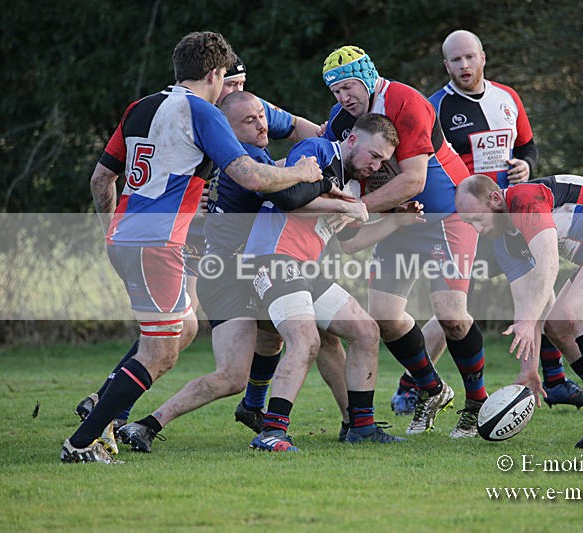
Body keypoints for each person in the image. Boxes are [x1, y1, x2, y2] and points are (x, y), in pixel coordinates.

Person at [61, 31, 322, 463]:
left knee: (183, 328)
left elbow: (101, 179)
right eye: (228, 80)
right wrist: (303, 172)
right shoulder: (203, 112)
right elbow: (249, 175)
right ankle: (84, 440)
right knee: (160, 352)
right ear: (215, 73)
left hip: (126, 239)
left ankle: (102, 409)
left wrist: (112, 230)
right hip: (157, 243)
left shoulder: (139, 107)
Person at [115, 91, 351, 452]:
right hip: (230, 277)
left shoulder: (251, 159)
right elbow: (288, 197)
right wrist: (333, 191)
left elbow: (277, 178)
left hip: (232, 273)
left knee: (287, 338)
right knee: (238, 372)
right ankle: (151, 422)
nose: (261, 126)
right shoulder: (248, 163)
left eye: (262, 117)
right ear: (227, 129)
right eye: (249, 121)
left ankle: (157, 423)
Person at [388, 29, 583, 415]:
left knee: (537, 291)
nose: (464, 65)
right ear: (445, 65)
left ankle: (554, 379)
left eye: (470, 57)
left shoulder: (508, 98)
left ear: (483, 57)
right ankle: (412, 385)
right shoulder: (433, 108)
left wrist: (525, 165)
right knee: (454, 310)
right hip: (463, 222)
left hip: (508, 217)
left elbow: (527, 146)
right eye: (456, 60)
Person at [321, 45, 488, 438]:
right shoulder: (341, 120)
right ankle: (432, 389)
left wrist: (355, 208)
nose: (344, 97)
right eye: (336, 91)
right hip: (398, 220)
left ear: (367, 77)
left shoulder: (405, 101)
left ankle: (477, 403)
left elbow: (414, 180)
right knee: (384, 317)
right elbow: (331, 162)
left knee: (450, 314)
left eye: (348, 87)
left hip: (445, 214)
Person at [243, 112, 414, 451]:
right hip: (272, 259)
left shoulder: (352, 186)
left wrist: (397, 222)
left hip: (305, 269)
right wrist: (345, 208)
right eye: (373, 155)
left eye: (382, 161)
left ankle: (361, 427)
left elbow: (350, 243)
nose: (375, 166)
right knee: (305, 340)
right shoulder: (318, 150)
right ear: (352, 139)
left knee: (366, 331)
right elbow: (289, 197)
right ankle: (272, 431)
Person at [455, 173, 583, 447]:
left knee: (580, 310)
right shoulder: (504, 243)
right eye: (469, 223)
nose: (477, 229)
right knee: (557, 326)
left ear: (495, 199)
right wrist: (529, 370)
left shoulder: (525, 199)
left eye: (477, 219)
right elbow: (527, 301)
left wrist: (529, 320)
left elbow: (548, 265)